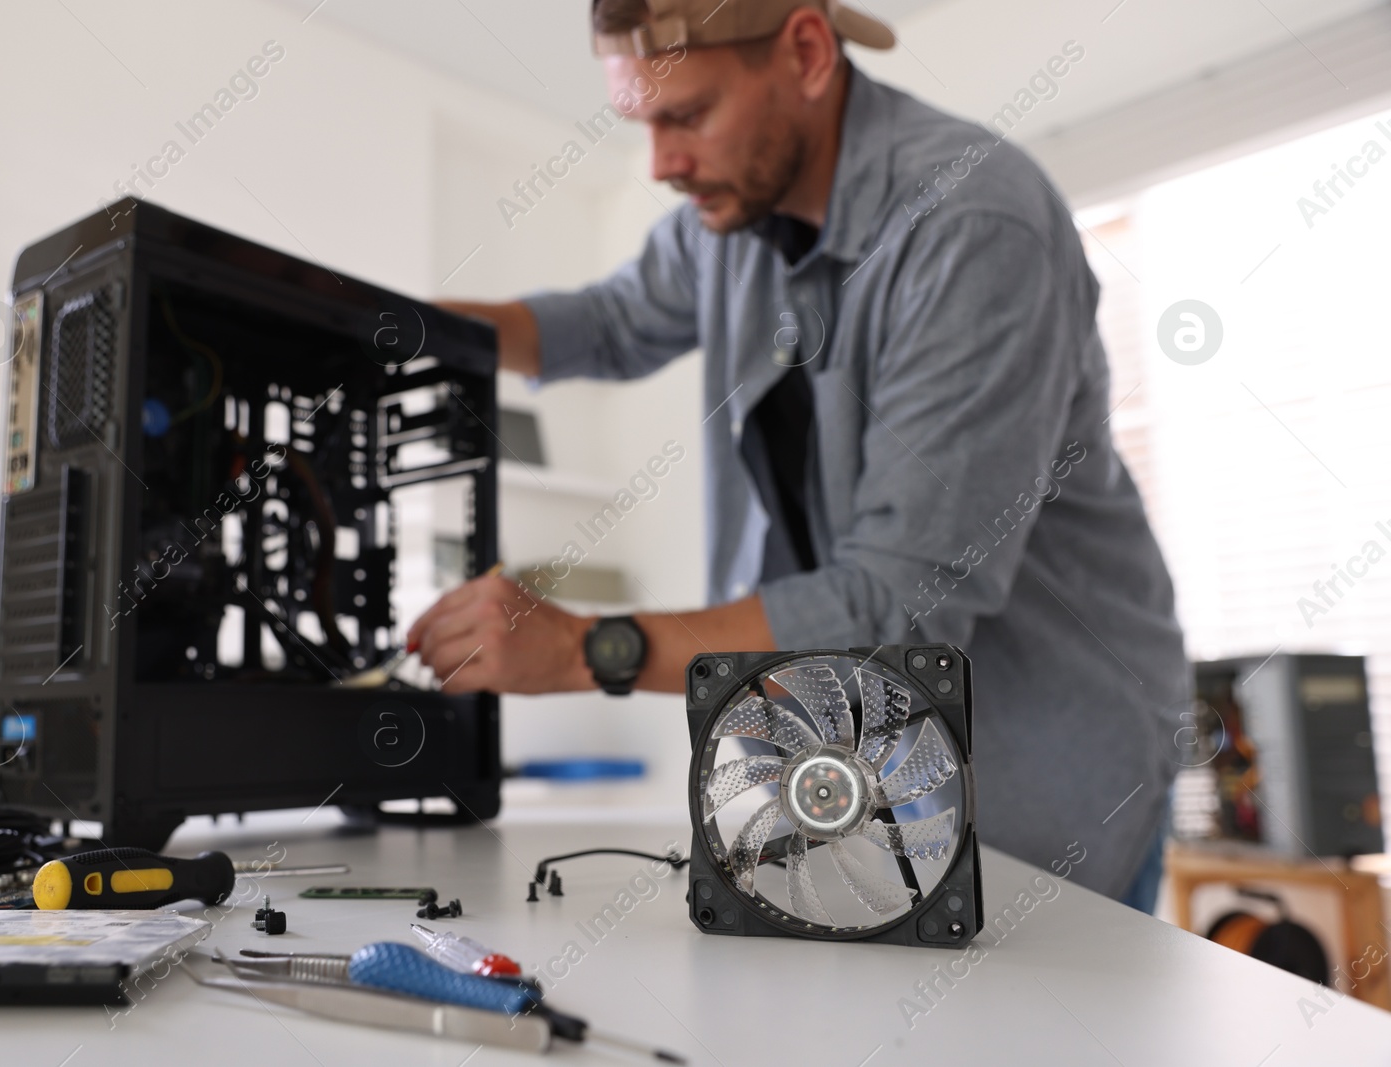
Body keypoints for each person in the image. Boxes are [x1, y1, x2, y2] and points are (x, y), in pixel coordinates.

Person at [408, 0, 1187, 910]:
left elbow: (897, 606)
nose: (661, 164)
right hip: (853, 774)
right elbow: (608, 323)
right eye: (644, 122)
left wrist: (588, 648)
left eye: (687, 115)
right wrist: (390, 327)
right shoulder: (730, 218)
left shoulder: (974, 222)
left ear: (809, 52)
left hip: (1044, 779)